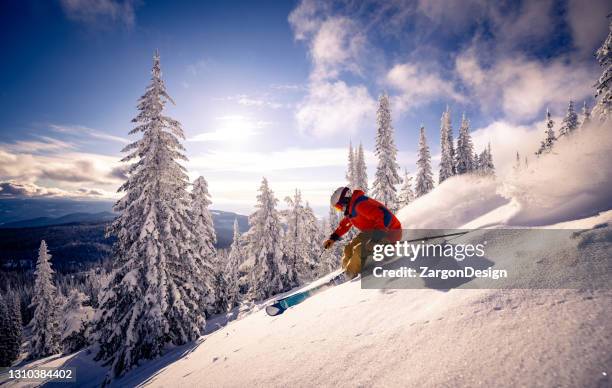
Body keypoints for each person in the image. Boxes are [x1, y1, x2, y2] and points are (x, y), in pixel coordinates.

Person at [324, 186, 402, 279]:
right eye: (337, 208)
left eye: (338, 206)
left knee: (359, 250)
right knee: (348, 248)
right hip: (373, 232)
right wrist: (333, 238)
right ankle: (346, 272)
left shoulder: (360, 205)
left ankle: (348, 276)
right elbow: (345, 225)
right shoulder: (352, 209)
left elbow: (383, 216)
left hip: (390, 233)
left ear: (345, 199)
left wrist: (375, 239)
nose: (340, 209)